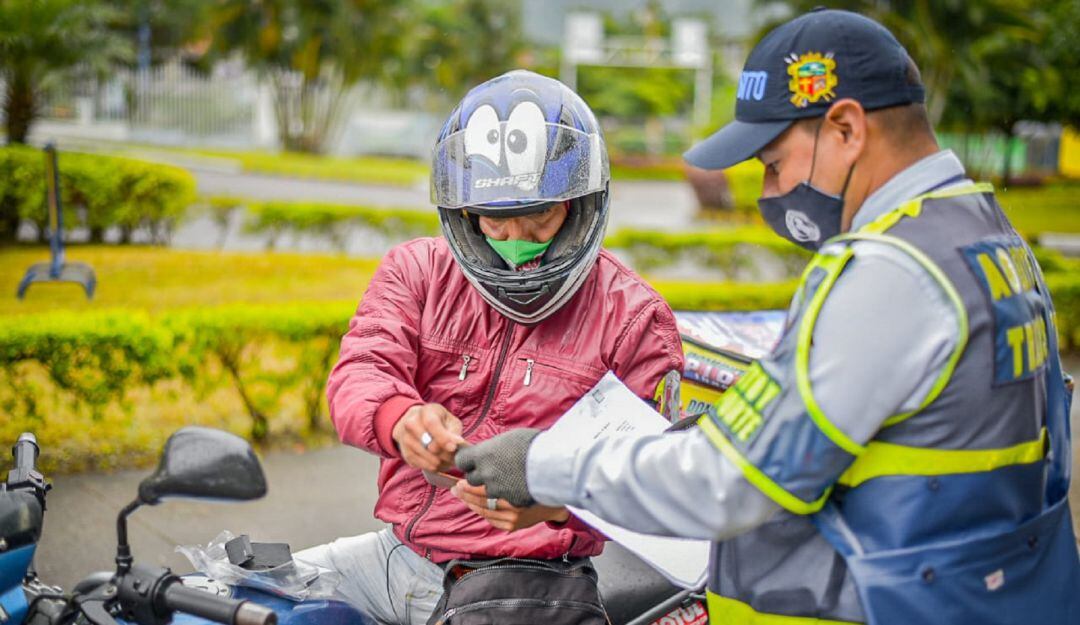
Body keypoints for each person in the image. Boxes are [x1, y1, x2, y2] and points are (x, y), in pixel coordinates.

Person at [456, 10, 1080, 625]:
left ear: (845, 130)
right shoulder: (985, 236)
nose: (769, 193)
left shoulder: (893, 272)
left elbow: (725, 483)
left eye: (774, 163)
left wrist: (540, 463)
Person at [296, 69, 684, 625]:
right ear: (463, 212)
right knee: (222, 596)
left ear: (580, 204)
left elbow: (658, 482)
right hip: (400, 556)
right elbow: (362, 368)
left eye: (540, 217)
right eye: (496, 222)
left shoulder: (635, 318)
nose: (515, 244)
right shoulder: (417, 271)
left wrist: (551, 505)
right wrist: (398, 418)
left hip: (537, 583)